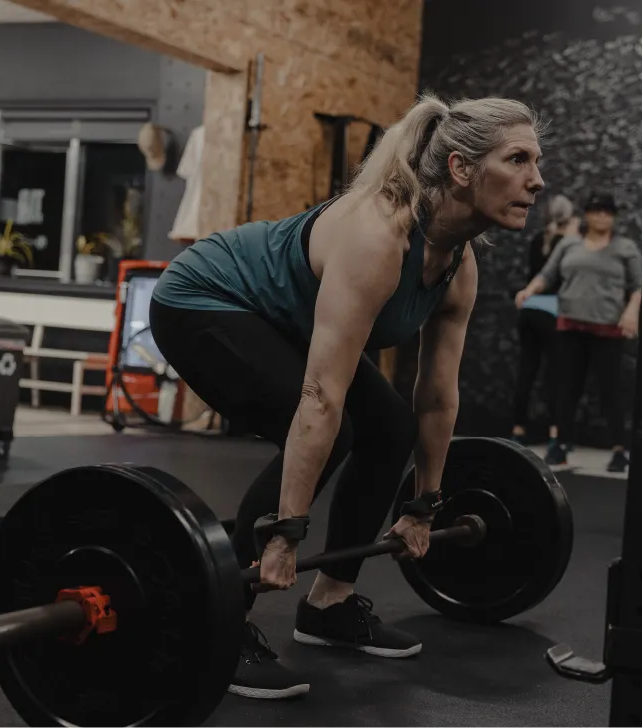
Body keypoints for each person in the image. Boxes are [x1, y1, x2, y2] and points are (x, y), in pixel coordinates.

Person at [148, 93, 545, 700]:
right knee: (329, 426)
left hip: (285, 319)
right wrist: (285, 533)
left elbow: (436, 399)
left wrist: (424, 505)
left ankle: (329, 604)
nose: (536, 180)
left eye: (536, 162)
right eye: (518, 159)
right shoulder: (378, 238)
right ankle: (218, 619)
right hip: (208, 299)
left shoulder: (458, 265)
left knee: (389, 426)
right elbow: (319, 397)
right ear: (463, 169)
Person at [513, 191, 642, 472]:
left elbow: (638, 287)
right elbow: (548, 274)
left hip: (607, 328)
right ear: (586, 214)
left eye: (607, 211)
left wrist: (631, 312)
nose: (601, 216)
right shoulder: (570, 245)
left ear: (614, 216)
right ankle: (560, 446)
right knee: (567, 389)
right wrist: (529, 290)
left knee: (610, 391)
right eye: (596, 210)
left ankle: (620, 449)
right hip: (571, 325)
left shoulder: (625, 248)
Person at [509, 194, 578, 447]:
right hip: (553, 313)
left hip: (529, 310)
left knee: (526, 370)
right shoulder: (570, 244)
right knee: (555, 375)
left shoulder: (539, 239)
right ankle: (554, 432)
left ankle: (518, 429)